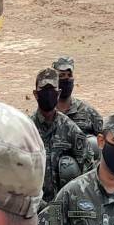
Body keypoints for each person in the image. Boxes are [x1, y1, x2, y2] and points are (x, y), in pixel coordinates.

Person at [31, 67, 93, 205]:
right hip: (34, 207)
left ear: (58, 93)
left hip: (64, 207)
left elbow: (89, 166)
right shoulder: (28, 129)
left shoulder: (70, 128)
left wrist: (76, 198)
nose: (48, 94)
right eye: (44, 90)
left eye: (52, 90)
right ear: (35, 94)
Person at [53, 55, 103, 138]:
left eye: (69, 75)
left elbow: (104, 138)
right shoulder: (47, 112)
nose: (66, 78)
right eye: (61, 75)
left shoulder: (87, 111)